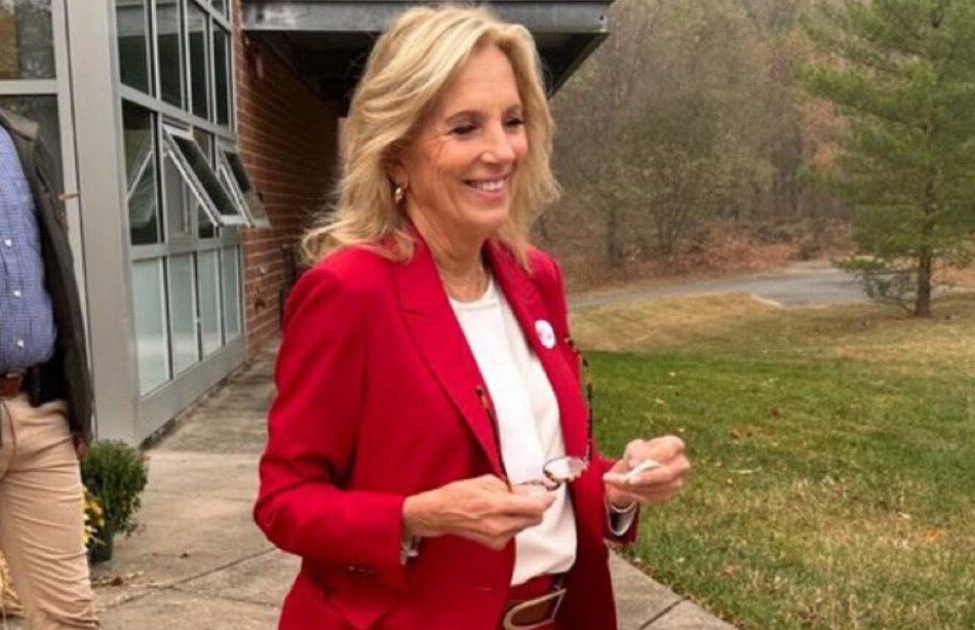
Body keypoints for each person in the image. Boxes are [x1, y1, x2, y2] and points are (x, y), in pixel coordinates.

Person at [254, 6, 690, 629]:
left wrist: (615, 488)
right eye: (464, 128)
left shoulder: (536, 277)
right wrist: (416, 516)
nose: (501, 150)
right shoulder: (348, 292)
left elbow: (549, 466)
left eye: (512, 121)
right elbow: (285, 503)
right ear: (396, 154)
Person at [0, 0, 98, 628]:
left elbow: (57, 275)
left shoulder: (18, 139)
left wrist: (75, 399)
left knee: (69, 617)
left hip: (38, 416)